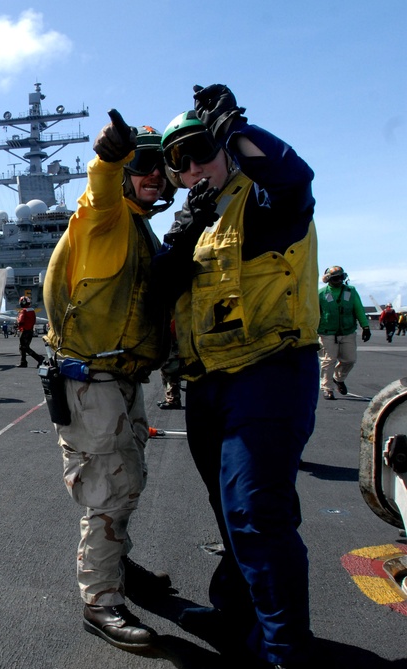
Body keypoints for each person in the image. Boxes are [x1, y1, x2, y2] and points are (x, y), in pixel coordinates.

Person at [153, 85, 319, 668]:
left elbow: (295, 180)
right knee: (230, 513)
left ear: (223, 148)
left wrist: (237, 131)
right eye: (180, 161)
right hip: (208, 385)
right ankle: (238, 614)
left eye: (201, 150)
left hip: (268, 373)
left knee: (255, 512)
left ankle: (285, 652)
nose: (193, 167)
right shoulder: (195, 220)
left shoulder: (264, 200)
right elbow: (161, 291)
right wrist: (181, 235)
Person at [42, 111, 176, 652]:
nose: (155, 176)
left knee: (129, 478)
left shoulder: (141, 228)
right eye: (142, 165)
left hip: (122, 378)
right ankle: (101, 600)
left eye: (161, 168)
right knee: (108, 490)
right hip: (91, 380)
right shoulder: (106, 217)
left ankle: (115, 563)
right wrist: (106, 158)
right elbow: (97, 193)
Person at [317, 266, 370, 400]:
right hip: (327, 332)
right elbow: (314, 314)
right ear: (328, 279)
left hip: (348, 331)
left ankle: (338, 378)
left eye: (341, 277)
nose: (339, 280)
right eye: (336, 278)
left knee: (350, 359)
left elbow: (358, 308)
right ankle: (327, 388)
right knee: (328, 361)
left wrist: (365, 326)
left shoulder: (351, 291)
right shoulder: (321, 294)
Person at [158, 320, 183, 409]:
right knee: (166, 370)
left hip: (173, 339)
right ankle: (170, 399)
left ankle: (173, 400)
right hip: (171, 338)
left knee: (170, 370)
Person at [15, 296, 45, 368]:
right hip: (30, 331)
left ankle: (39, 358)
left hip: (24, 331)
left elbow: (20, 321)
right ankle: (23, 362)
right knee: (24, 347)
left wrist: (17, 321)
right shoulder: (32, 311)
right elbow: (33, 321)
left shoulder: (23, 311)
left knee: (24, 347)